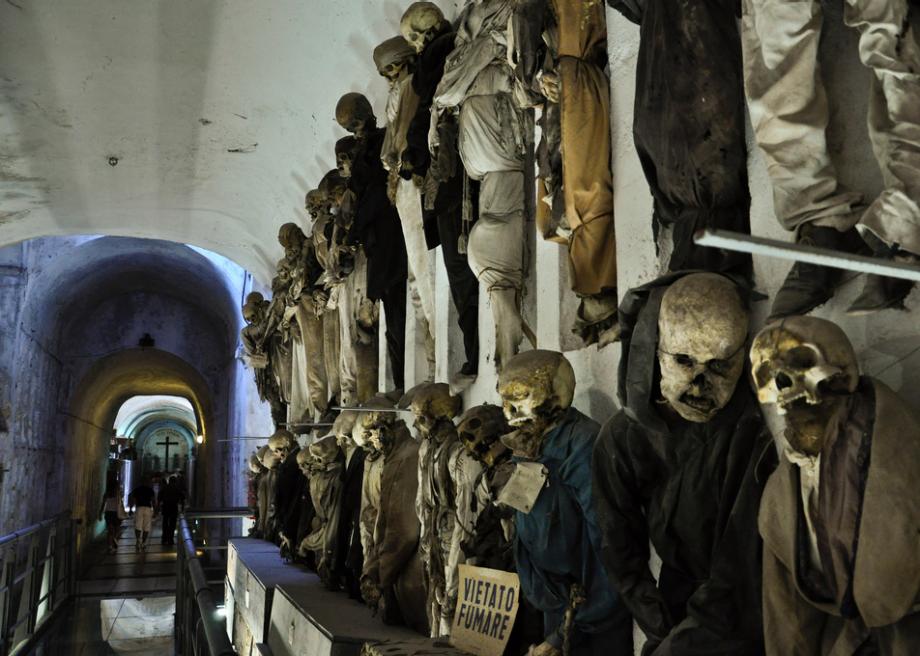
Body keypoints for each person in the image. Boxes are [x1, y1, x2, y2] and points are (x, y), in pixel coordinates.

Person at [128, 479, 156, 552]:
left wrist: (131, 508)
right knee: (146, 526)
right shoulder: (150, 490)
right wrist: (155, 511)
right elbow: (153, 501)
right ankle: (144, 542)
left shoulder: (137, 489)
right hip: (148, 509)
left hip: (139, 508)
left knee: (138, 525)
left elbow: (133, 500)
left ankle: (138, 541)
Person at [99, 484, 127, 553]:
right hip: (115, 514)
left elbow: (103, 504)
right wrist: (123, 512)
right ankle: (112, 542)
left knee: (111, 530)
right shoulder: (116, 494)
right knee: (115, 530)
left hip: (109, 513)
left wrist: (100, 513)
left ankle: (111, 544)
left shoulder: (108, 494)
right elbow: (121, 504)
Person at [158, 476, 186, 546]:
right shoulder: (177, 488)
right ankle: (170, 539)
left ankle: (164, 539)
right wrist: (182, 508)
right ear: (175, 481)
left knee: (165, 523)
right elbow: (182, 498)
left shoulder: (165, 487)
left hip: (166, 506)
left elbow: (159, 497)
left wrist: (158, 506)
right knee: (172, 524)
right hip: (173, 507)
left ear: (169, 481)